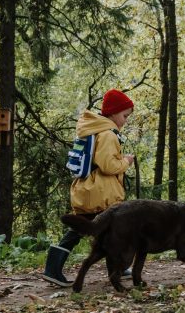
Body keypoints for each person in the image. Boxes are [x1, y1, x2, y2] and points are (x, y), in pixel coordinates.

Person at [42, 89, 135, 287]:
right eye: (124, 115)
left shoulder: (94, 130)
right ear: (112, 112)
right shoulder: (108, 134)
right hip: (100, 193)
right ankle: (53, 269)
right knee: (104, 229)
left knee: (95, 230)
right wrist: (126, 161)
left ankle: (115, 269)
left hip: (88, 189)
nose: (126, 120)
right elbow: (108, 166)